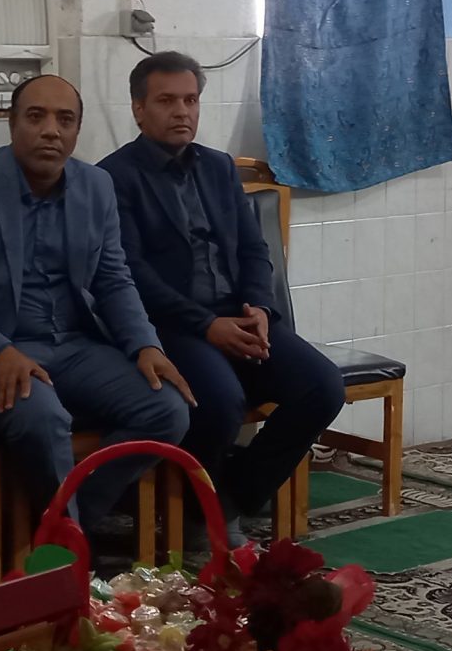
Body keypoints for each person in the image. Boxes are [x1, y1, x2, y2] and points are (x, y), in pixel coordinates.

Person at [0, 74, 193, 526]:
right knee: (43, 417)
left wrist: (146, 345)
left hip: (72, 346)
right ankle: (67, 545)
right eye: (36, 117)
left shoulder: (96, 186)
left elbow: (113, 278)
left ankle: (73, 521)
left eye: (65, 120)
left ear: (77, 130)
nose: (50, 131)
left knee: (166, 409)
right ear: (13, 124)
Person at [97, 52, 341, 544]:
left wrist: (260, 308)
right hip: (171, 326)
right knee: (220, 401)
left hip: (238, 314)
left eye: (190, 100)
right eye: (166, 101)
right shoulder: (113, 178)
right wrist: (206, 326)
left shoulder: (218, 167)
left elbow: (253, 249)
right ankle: (200, 511)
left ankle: (227, 499)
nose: (181, 112)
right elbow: (132, 274)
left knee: (322, 386)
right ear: (139, 109)